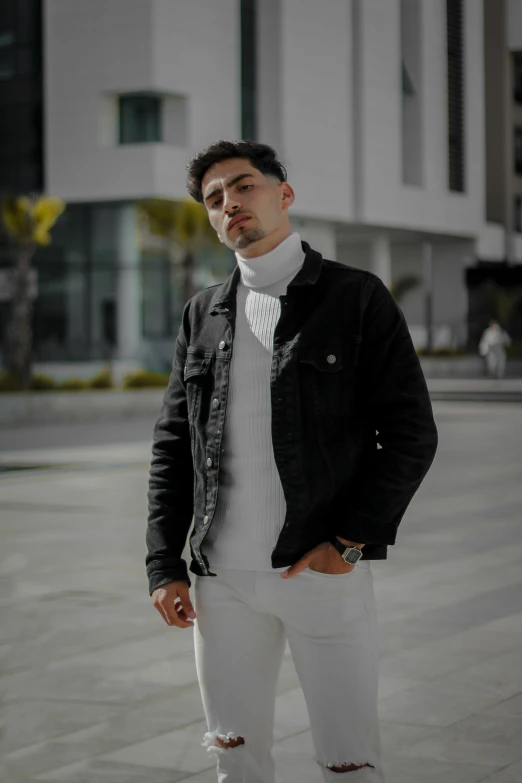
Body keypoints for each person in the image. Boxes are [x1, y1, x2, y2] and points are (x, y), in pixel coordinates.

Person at [146, 140, 438, 783]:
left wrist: (351, 542)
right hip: (220, 583)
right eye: (214, 200)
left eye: (243, 186)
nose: (230, 205)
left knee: (349, 761)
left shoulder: (355, 297)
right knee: (236, 761)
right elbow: (174, 445)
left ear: (284, 193)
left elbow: (414, 433)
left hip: (321, 571)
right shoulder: (203, 313)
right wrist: (163, 562)